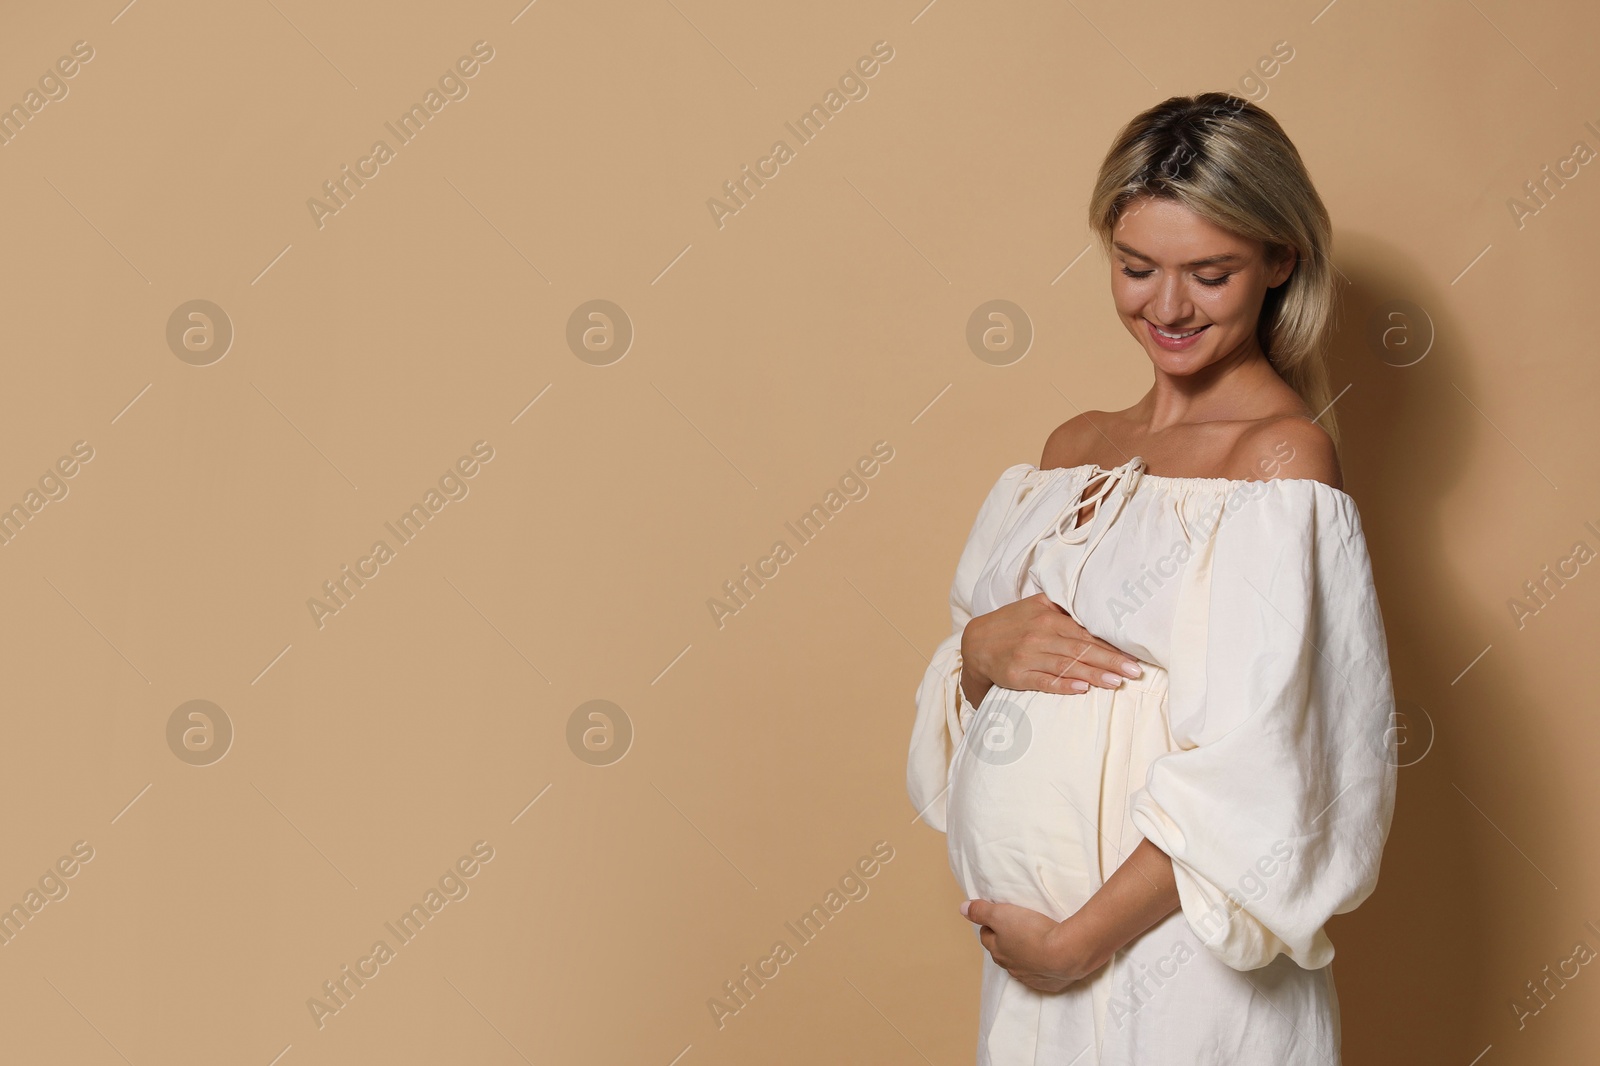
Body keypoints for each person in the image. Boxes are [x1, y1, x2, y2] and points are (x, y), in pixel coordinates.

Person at [907, 93, 1398, 1065]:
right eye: (1136, 268)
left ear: (1278, 259)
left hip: (1179, 968)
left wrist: (1074, 942)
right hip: (1031, 980)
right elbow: (976, 696)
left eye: (1207, 274)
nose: (1165, 308)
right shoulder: (1068, 453)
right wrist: (976, 650)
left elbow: (1271, 766)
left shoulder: (1280, 462)